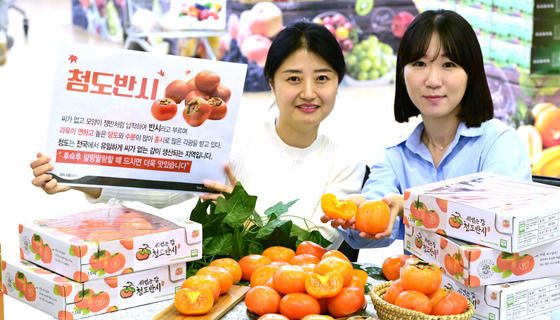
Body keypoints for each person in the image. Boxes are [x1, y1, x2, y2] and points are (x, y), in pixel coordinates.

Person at [30, 21, 366, 250]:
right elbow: (164, 192)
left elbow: (317, 245)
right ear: (271, 82)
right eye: (293, 79)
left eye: (322, 78)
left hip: (293, 304)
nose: (309, 92)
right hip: (219, 285)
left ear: (338, 82)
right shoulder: (234, 137)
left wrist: (240, 212)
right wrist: (80, 177)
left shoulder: (346, 160)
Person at [326, 9, 532, 249]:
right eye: (419, 63)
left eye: (449, 64)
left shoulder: (499, 142)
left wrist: (413, 207)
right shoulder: (394, 155)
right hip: (416, 285)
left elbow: (498, 223)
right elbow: (373, 231)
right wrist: (357, 215)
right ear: (403, 73)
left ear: (471, 73)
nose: (433, 80)